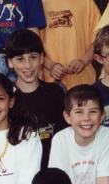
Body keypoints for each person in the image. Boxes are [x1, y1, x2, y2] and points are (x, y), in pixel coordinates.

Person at [40, 0, 100, 89]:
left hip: (83, 81)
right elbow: (35, 45)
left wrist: (84, 61)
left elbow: (98, 40)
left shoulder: (86, 2)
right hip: (50, 81)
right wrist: (51, 65)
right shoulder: (40, 5)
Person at [5, 29, 67, 170]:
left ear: (42, 58)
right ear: (10, 62)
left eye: (33, 57)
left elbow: (64, 137)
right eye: (20, 59)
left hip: (51, 169)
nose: (28, 65)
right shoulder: (6, 96)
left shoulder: (55, 92)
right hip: (16, 171)